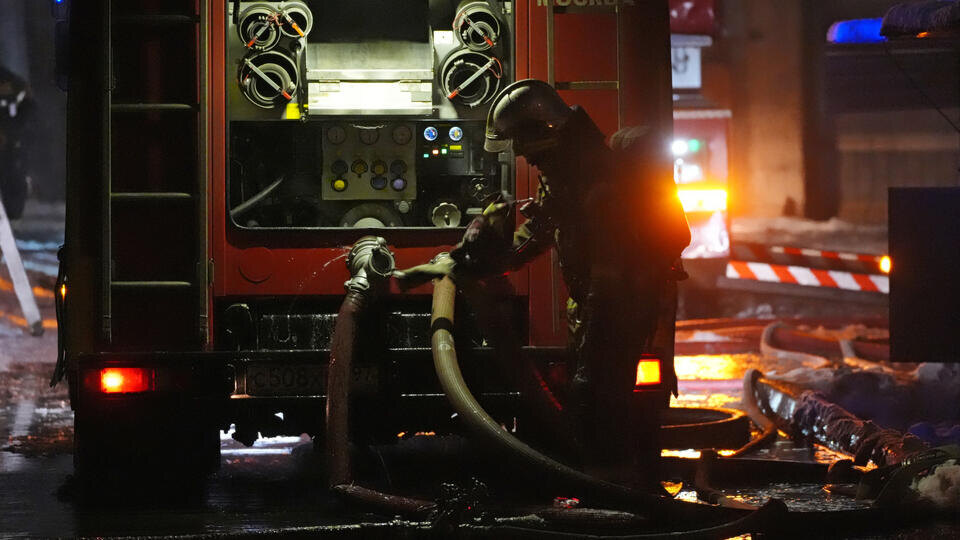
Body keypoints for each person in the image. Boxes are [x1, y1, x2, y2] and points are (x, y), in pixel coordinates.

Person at [396, 79, 690, 486]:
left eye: (520, 140)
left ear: (545, 130)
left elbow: (611, 271)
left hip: (618, 306)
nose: (519, 153)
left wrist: (597, 333)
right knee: (592, 402)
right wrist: (478, 259)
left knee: (597, 399)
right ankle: (614, 490)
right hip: (596, 304)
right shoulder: (568, 174)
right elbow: (538, 233)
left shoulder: (597, 181)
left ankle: (622, 500)